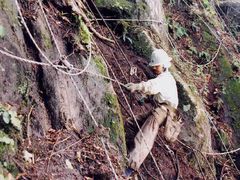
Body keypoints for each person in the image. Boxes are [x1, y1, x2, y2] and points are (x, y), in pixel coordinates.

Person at [124, 49, 181, 175]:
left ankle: (129, 168)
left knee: (145, 137)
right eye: (153, 66)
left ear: (164, 65)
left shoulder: (165, 79)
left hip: (164, 112)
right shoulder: (163, 78)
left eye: (157, 66)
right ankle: (126, 151)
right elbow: (158, 95)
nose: (154, 68)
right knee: (131, 124)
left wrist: (137, 86)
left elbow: (152, 86)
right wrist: (145, 98)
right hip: (161, 109)